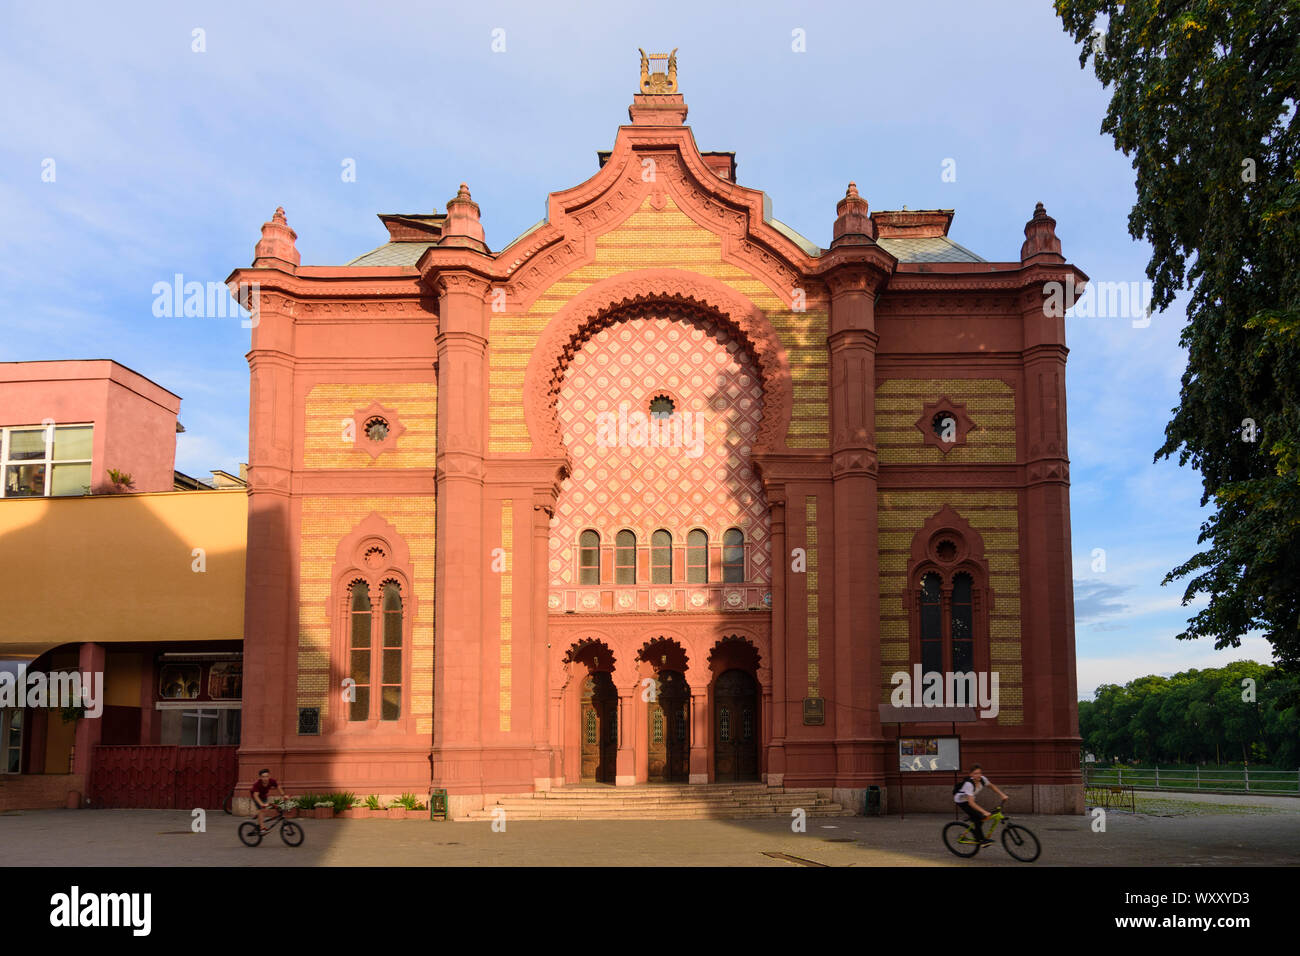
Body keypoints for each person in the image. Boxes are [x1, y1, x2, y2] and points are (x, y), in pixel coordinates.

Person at [953, 763, 1008, 847]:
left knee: (980, 817)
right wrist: (984, 812)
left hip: (970, 799)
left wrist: (1002, 795)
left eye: (979, 773)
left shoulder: (983, 779)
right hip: (961, 801)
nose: (978, 775)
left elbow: (991, 786)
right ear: (971, 774)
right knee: (979, 817)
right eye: (975, 773)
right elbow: (970, 803)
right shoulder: (969, 784)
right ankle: (981, 840)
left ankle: (972, 829)